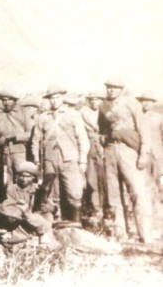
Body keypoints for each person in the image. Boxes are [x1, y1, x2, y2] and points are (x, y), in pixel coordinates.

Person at [98, 78, 154, 242]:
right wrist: (102, 139)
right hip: (110, 150)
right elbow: (101, 128)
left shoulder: (132, 104)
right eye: (109, 87)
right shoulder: (103, 106)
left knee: (137, 192)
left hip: (128, 151)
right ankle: (120, 232)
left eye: (115, 88)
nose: (112, 91)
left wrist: (144, 153)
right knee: (113, 195)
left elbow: (143, 130)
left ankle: (145, 234)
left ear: (121, 89)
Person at [32, 85, 89, 224]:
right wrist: (36, 160)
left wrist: (83, 159)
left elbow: (82, 137)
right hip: (49, 159)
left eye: (57, 97)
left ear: (62, 98)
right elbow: (36, 139)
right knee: (52, 191)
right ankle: (56, 220)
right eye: (51, 98)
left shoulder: (73, 114)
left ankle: (76, 222)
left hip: (70, 157)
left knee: (74, 191)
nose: (54, 101)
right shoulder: (43, 117)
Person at [0, 162, 53, 249]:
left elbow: (48, 207)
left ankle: (41, 241)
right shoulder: (12, 189)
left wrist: (38, 207)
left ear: (33, 178)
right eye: (22, 176)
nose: (24, 179)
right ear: (17, 177)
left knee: (44, 223)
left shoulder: (38, 190)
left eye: (28, 176)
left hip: (33, 218)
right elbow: (9, 205)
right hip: (16, 218)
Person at [0, 89, 33, 187]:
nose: (6, 103)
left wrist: (15, 137)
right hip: (4, 152)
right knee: (6, 178)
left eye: (8, 100)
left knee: (23, 176)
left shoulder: (24, 113)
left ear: (14, 100)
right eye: (4, 100)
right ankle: (9, 199)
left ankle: (24, 199)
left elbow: (30, 134)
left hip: (19, 151)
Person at [80, 91, 105, 219]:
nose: (95, 102)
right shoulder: (83, 113)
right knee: (91, 179)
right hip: (90, 147)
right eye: (92, 100)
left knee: (105, 179)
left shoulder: (104, 112)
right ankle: (94, 208)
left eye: (97, 99)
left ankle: (105, 208)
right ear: (89, 101)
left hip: (103, 147)